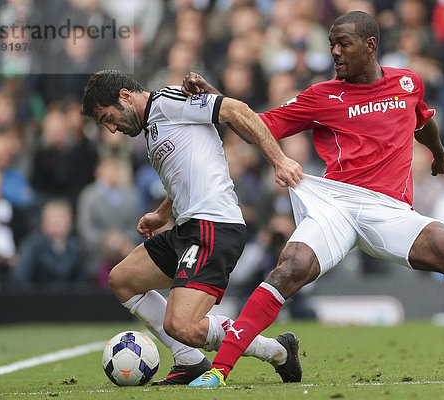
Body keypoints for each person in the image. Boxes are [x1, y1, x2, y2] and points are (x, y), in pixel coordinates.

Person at [183, 11, 444, 387]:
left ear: (370, 45)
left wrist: (439, 155)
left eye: (343, 44)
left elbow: (422, 121)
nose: (335, 53)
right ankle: (220, 370)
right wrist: (219, 101)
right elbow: (262, 126)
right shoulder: (322, 96)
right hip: (336, 204)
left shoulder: (408, 82)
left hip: (388, 210)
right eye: (331, 45)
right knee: (290, 267)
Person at [80, 70, 304, 385]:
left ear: (125, 96)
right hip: (188, 228)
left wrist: (279, 160)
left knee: (182, 325)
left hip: (214, 225)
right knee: (122, 280)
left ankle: (277, 351)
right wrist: (161, 214)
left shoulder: (169, 101)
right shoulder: (154, 129)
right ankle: (189, 361)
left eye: (109, 118)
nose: (113, 128)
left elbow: (236, 111)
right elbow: (186, 175)